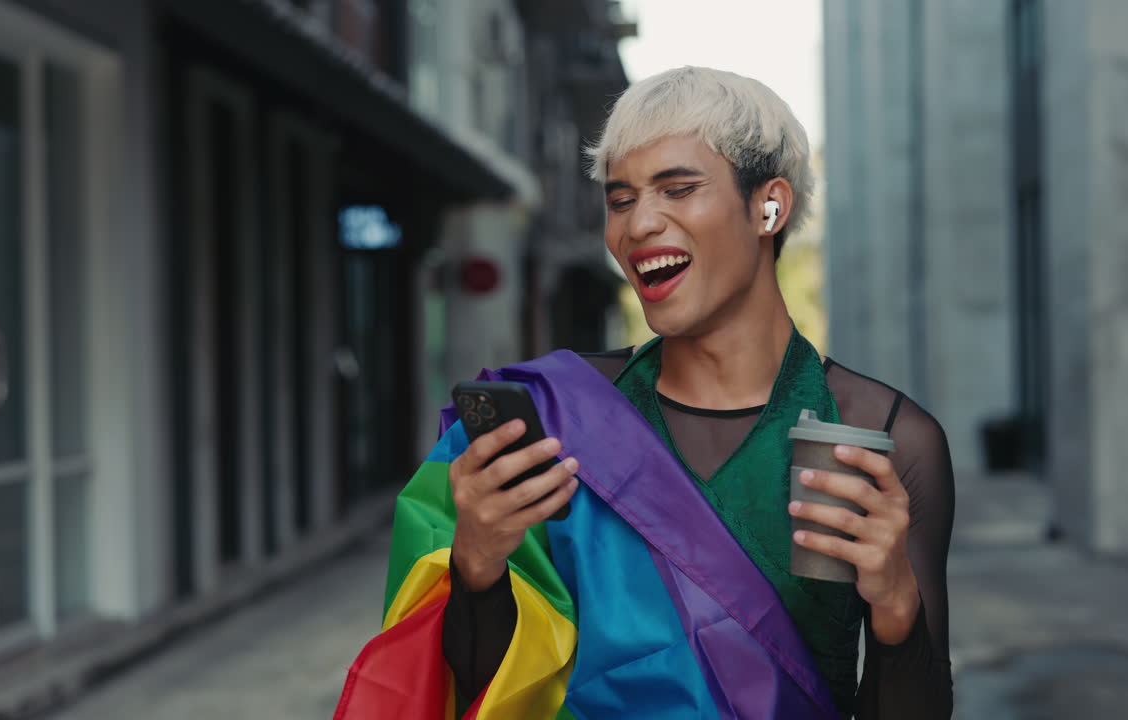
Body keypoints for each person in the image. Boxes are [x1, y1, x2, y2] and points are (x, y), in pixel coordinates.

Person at [334, 66, 954, 720]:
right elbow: (481, 696)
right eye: (621, 198)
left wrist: (895, 608)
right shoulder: (556, 419)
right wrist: (477, 567)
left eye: (678, 189)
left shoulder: (880, 438)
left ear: (769, 206)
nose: (637, 225)